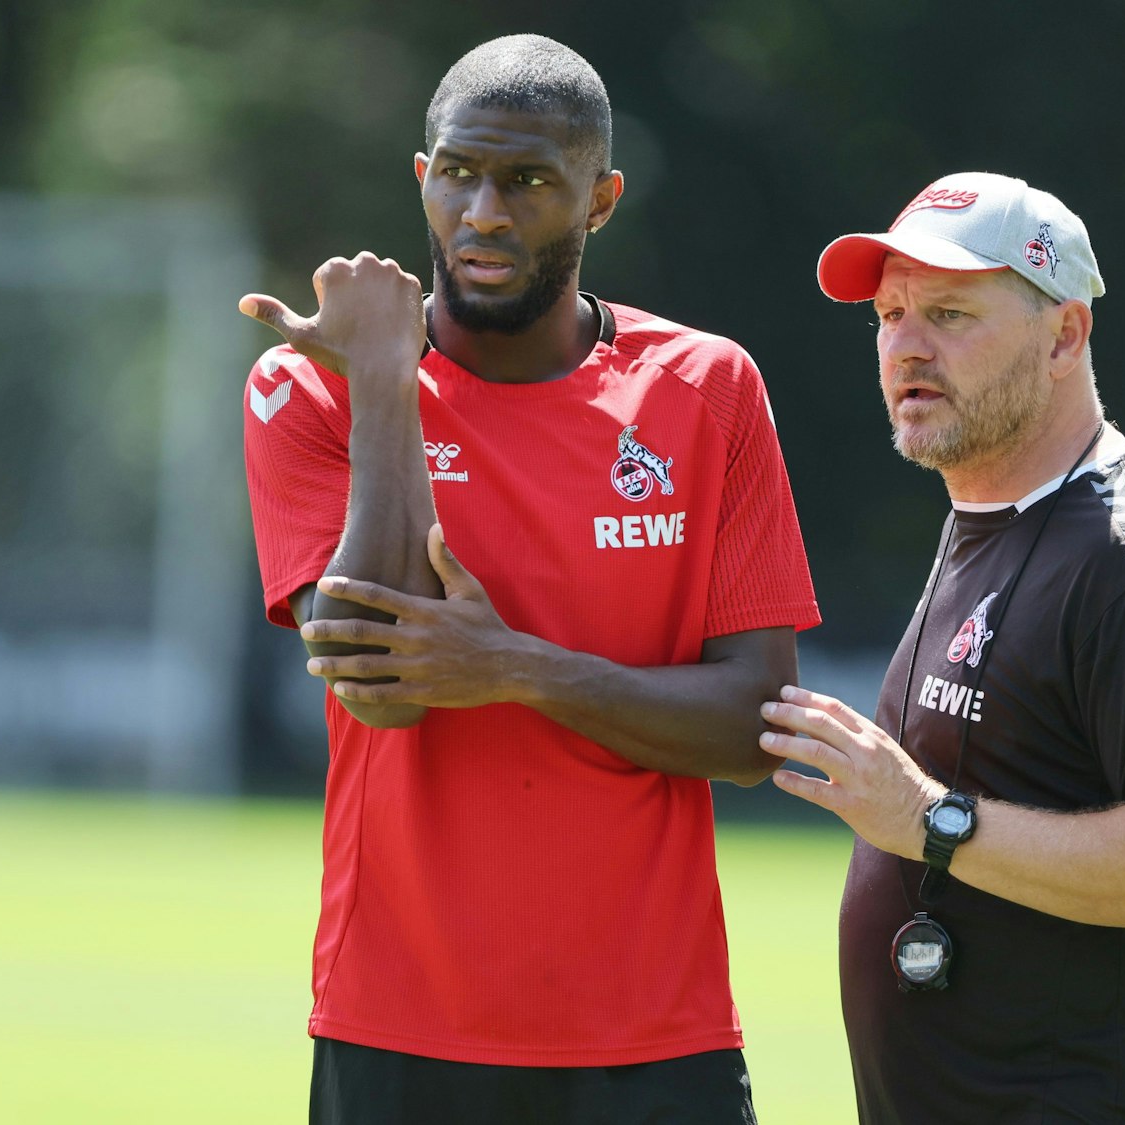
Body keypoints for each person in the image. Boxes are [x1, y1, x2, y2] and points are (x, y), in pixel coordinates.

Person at [236, 34, 817, 1125]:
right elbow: (381, 685)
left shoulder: (706, 389)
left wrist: (513, 667)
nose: (484, 212)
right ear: (422, 179)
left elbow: (752, 728)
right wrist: (384, 386)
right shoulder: (309, 388)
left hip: (652, 1034)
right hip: (398, 1024)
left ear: (600, 200)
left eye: (529, 181)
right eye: (458, 173)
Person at [757, 172, 1125, 1123]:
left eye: (950, 312)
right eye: (890, 312)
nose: (907, 342)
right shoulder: (983, 511)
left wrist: (930, 820)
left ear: (1065, 335)